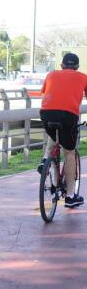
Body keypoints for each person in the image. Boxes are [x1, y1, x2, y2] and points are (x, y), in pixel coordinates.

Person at [38, 52, 87, 208]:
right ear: (77, 67)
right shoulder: (83, 77)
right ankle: (71, 196)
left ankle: (46, 159)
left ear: (62, 65)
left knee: (54, 133)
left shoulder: (51, 74)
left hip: (46, 113)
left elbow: (46, 93)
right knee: (69, 152)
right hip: (68, 116)